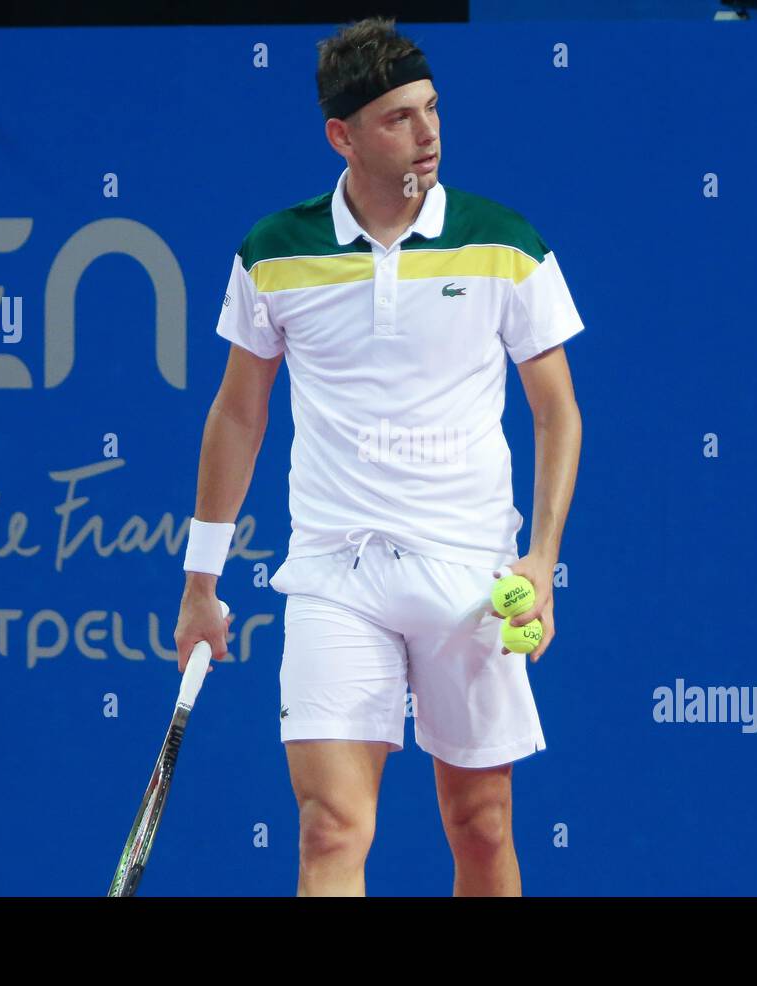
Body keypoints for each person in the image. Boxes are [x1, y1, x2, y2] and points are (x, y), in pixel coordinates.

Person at [173, 15, 584, 896]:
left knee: (481, 826)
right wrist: (200, 583)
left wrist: (542, 562)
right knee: (330, 830)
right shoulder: (272, 253)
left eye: (432, 109)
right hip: (336, 574)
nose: (428, 134)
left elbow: (558, 414)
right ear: (342, 135)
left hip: (472, 575)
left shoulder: (506, 242)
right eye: (399, 117)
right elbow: (238, 416)